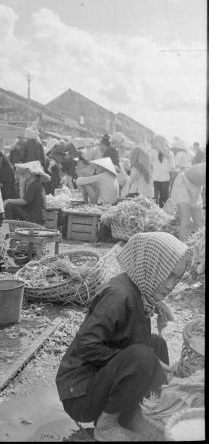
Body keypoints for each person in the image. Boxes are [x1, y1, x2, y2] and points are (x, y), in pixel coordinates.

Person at [56, 232, 189, 441]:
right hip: (80, 392)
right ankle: (106, 426)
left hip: (100, 379)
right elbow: (86, 345)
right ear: (151, 266)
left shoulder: (140, 291)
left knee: (157, 345)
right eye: (168, 274)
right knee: (143, 357)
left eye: (177, 277)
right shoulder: (119, 295)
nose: (172, 284)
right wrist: (142, 361)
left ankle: (139, 413)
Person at [4, 161, 50, 225]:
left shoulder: (35, 184)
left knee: (9, 206)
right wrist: (22, 184)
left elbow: (25, 201)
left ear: (32, 173)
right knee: (11, 205)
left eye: (26, 171)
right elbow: (23, 199)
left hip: (34, 217)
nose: (24, 173)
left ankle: (11, 227)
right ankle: (13, 226)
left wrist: (8, 200)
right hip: (32, 215)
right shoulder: (35, 183)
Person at [170, 162, 206, 241]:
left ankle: (199, 249)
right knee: (186, 221)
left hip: (196, 187)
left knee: (200, 223)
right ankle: (183, 248)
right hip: (183, 183)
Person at [151, 135, 175, 208]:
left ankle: (155, 211)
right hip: (165, 178)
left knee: (154, 197)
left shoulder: (153, 152)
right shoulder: (170, 153)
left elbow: (150, 164)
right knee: (164, 197)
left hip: (155, 177)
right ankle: (163, 211)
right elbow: (172, 167)